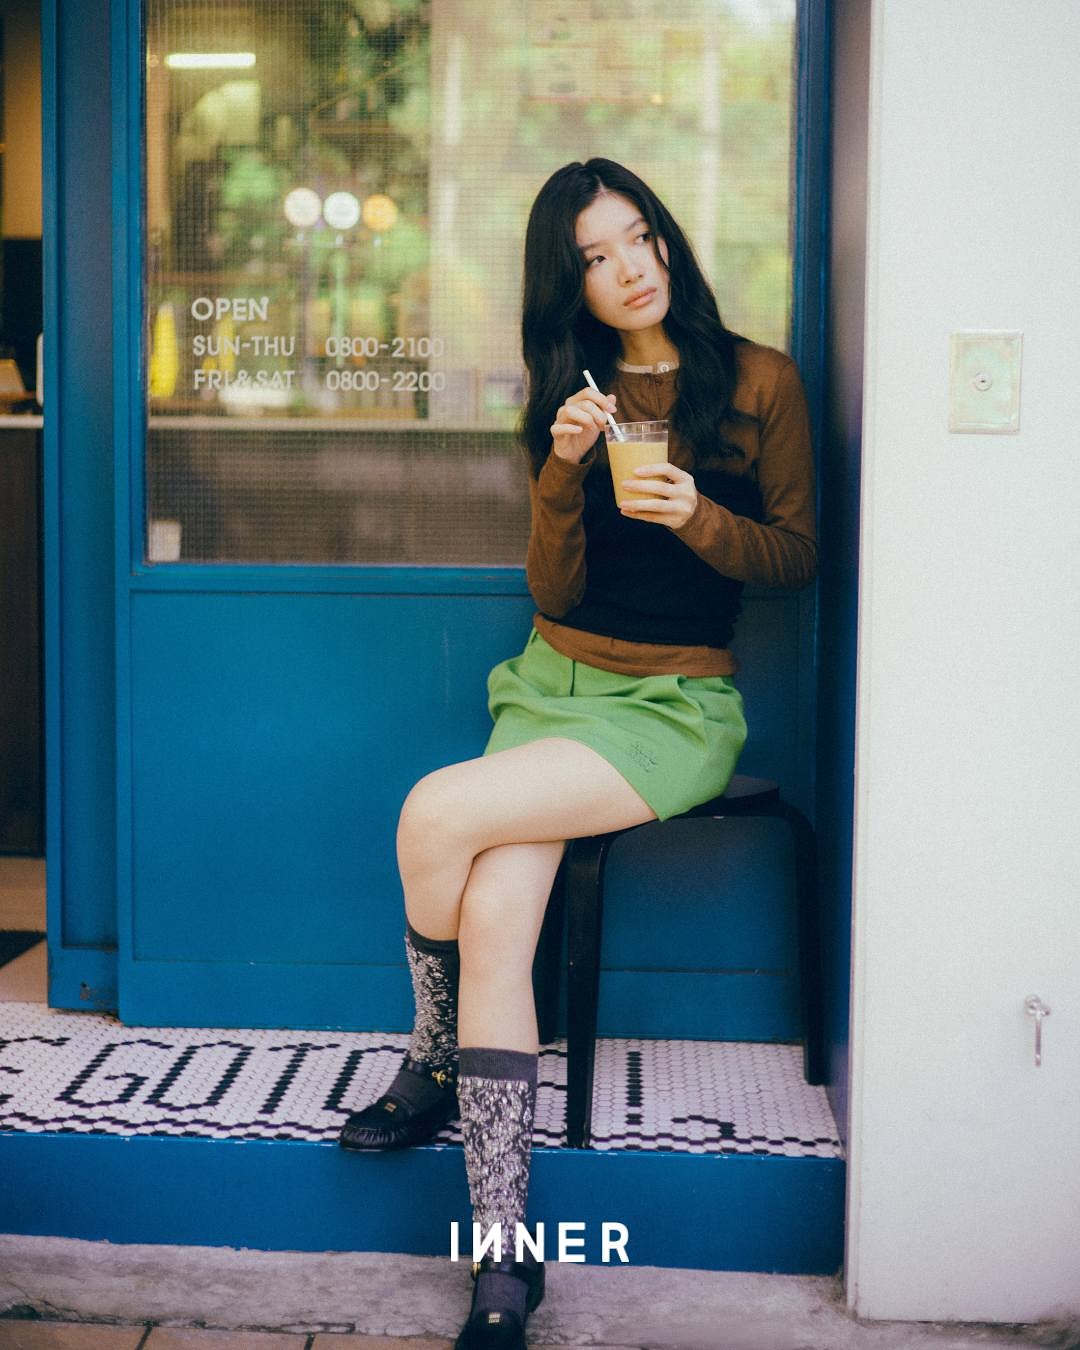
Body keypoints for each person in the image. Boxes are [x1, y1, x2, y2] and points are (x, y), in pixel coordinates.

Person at [338, 157, 817, 1349]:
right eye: (596, 257)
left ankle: (432, 1056)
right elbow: (552, 587)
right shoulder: (576, 396)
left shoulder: (761, 381)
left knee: (433, 814)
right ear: (573, 286)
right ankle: (505, 1263)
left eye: (639, 237)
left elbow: (797, 555)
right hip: (550, 687)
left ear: (668, 240)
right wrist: (560, 470)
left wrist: (698, 517)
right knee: (497, 919)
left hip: (673, 708)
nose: (629, 269)